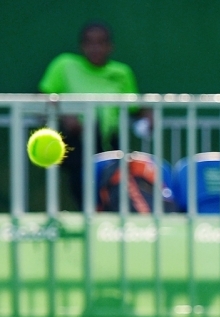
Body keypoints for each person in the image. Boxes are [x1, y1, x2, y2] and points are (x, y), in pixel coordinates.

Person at [38, 21, 145, 207]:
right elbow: (41, 98)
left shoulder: (122, 73)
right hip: (75, 143)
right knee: (82, 175)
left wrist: (149, 113)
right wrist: (65, 115)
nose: (95, 48)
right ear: (82, 46)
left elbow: (137, 109)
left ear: (110, 47)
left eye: (101, 42)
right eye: (89, 42)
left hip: (110, 144)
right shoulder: (64, 65)